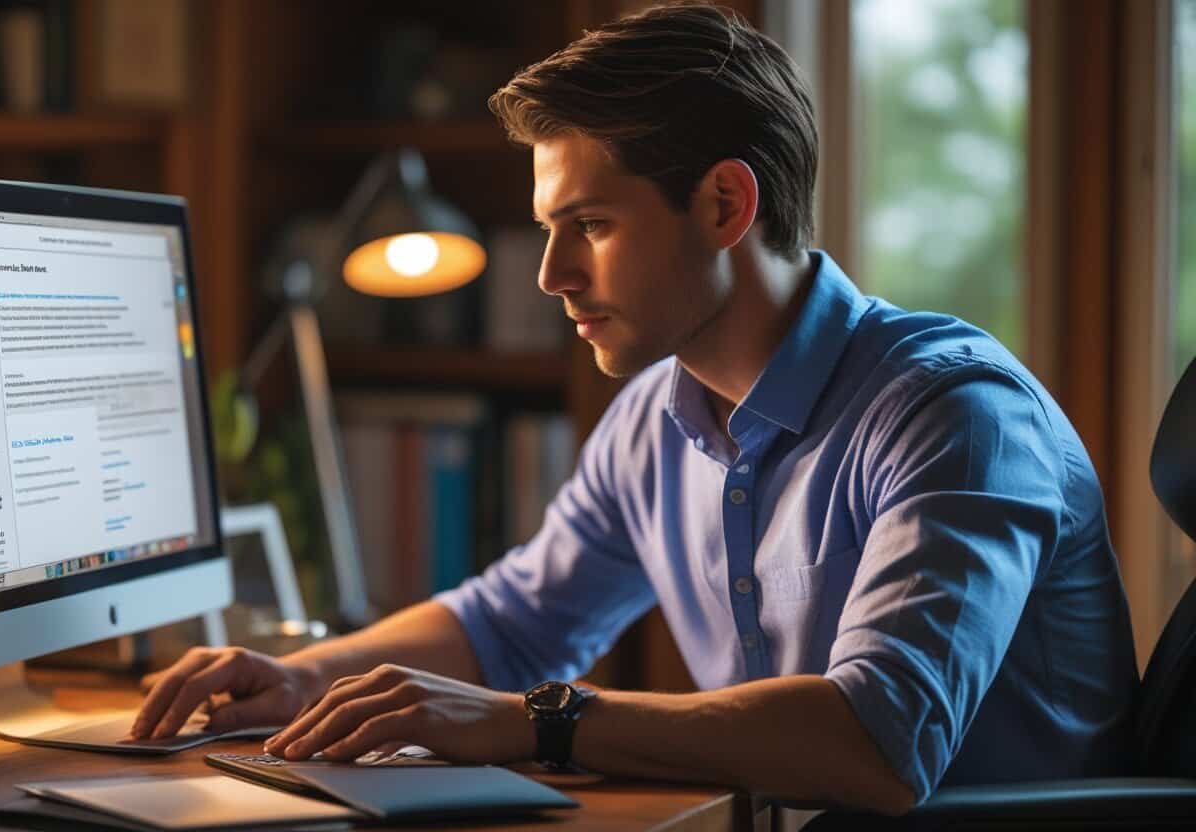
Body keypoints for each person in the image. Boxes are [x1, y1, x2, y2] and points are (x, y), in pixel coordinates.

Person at [132, 1, 1137, 814]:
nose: (552, 276)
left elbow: (875, 742)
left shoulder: (952, 413)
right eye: (548, 230)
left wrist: (541, 719)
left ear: (723, 207)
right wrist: (305, 680)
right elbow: (513, 621)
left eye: (591, 225)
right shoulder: (657, 415)